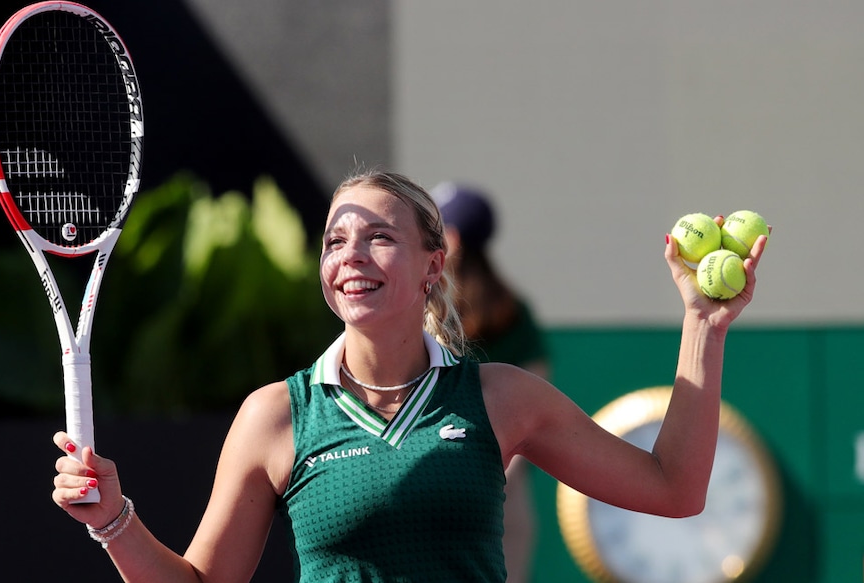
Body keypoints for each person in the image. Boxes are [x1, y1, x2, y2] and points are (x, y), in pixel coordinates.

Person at [51, 168, 766, 583]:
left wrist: (702, 325)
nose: (351, 254)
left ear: (432, 266)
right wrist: (115, 521)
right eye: (335, 239)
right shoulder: (274, 416)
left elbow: (674, 488)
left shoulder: (499, 396)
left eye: (379, 237)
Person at [431, 181, 548, 582]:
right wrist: (499, 483)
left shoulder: (422, 308)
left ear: (453, 237)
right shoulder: (514, 309)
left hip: (436, 485)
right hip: (504, 496)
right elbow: (535, 412)